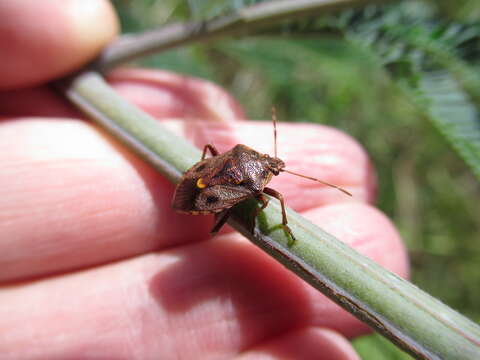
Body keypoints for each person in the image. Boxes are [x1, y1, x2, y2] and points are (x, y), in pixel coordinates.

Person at [0, 1, 408, 358]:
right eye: (272, 164)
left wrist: (204, 180)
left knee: (233, 179)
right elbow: (261, 194)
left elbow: (229, 163)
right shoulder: (253, 178)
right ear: (264, 164)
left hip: (205, 178)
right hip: (208, 188)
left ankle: (202, 185)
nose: (273, 166)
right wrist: (251, 204)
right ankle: (257, 216)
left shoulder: (246, 158)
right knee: (272, 202)